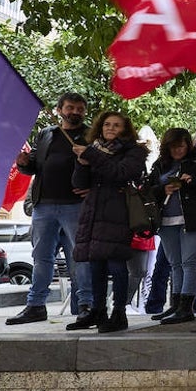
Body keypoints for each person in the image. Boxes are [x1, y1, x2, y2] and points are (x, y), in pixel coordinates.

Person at [6, 92, 94, 326]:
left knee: (81, 258)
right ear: (59, 110)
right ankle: (36, 306)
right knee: (41, 257)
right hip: (44, 205)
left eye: (79, 108)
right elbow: (35, 166)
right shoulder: (46, 134)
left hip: (76, 206)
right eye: (70, 107)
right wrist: (24, 163)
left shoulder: (91, 136)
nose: (75, 112)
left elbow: (102, 167)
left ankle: (86, 305)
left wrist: (92, 188)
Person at [68, 111, 148, 333]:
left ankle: (119, 313)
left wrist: (92, 156)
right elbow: (79, 183)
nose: (111, 128)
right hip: (94, 211)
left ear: (125, 129)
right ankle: (98, 310)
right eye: (107, 124)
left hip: (117, 212)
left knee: (116, 263)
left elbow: (120, 173)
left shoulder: (134, 151)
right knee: (96, 264)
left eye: (117, 125)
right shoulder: (94, 149)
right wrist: (82, 163)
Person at [142, 128, 196, 325]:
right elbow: (147, 191)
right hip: (167, 221)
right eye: (172, 146)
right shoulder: (160, 165)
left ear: (188, 144)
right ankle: (176, 304)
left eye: (181, 146)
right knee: (175, 263)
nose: (177, 150)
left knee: (190, 262)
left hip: (195, 220)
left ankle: (187, 306)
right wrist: (163, 189)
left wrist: (192, 181)